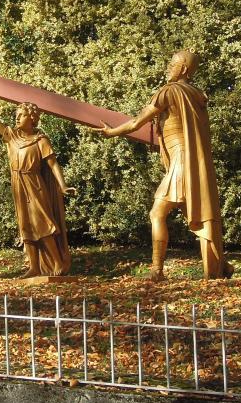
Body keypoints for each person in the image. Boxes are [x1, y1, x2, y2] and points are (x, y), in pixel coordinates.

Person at [94, 50, 232, 281]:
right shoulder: (196, 95)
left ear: (184, 69)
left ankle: (157, 271)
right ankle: (222, 266)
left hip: (181, 160)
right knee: (198, 213)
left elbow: (138, 121)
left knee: (157, 212)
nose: (168, 68)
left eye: (172, 64)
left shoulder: (170, 91)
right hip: (194, 164)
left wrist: (112, 132)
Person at [0, 92, 73, 278]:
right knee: (25, 226)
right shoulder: (11, 136)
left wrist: (63, 185)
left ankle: (57, 261)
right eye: (16, 114)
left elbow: (53, 164)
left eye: (21, 114)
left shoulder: (41, 140)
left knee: (41, 223)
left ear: (32, 118)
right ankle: (34, 267)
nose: (17, 117)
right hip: (18, 183)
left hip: (34, 183)